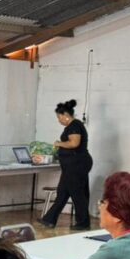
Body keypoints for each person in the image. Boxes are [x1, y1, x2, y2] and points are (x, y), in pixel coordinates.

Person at [40, 99, 93, 230]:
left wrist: (59, 144)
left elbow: (74, 143)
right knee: (63, 192)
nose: (59, 120)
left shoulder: (74, 125)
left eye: (59, 117)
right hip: (73, 165)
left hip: (77, 165)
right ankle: (49, 219)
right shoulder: (73, 126)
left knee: (77, 193)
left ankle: (83, 223)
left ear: (65, 115)